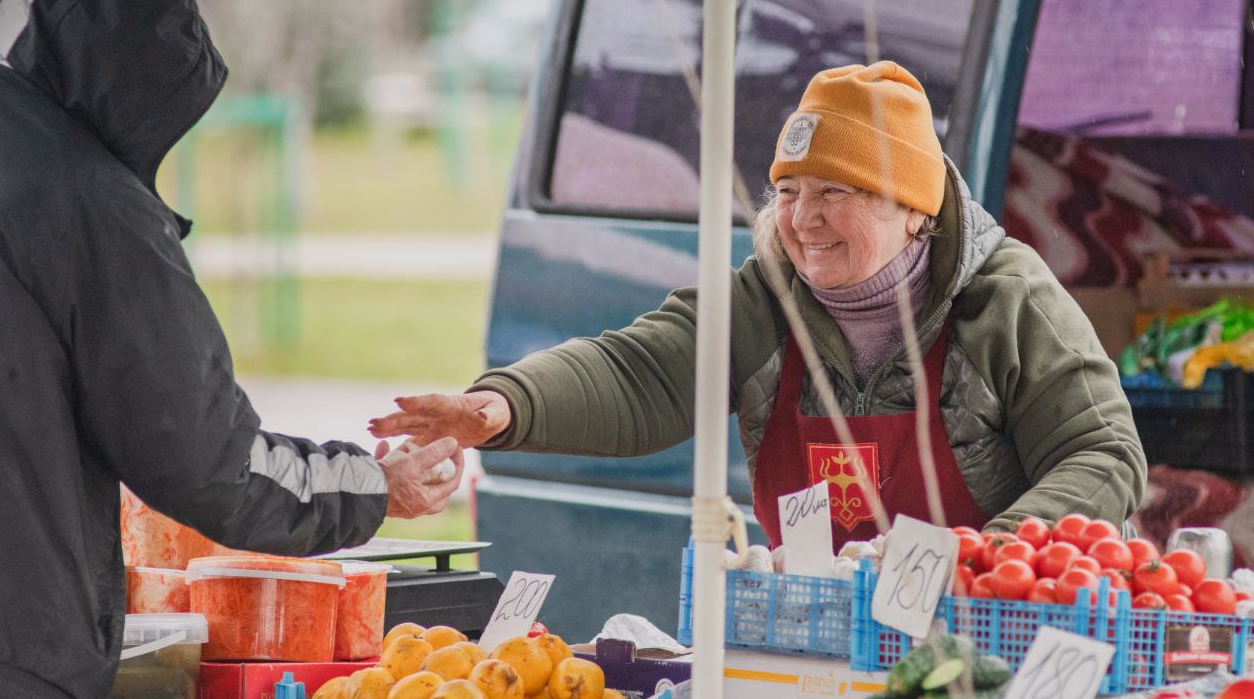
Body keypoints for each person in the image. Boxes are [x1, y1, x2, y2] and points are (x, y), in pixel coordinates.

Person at [0, 0, 463, 699]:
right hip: (3, 658)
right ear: (138, 86)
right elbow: (205, 460)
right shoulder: (83, 198)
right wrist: (379, 485)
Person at [370, 60, 1146, 543]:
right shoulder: (761, 298)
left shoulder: (1009, 300)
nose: (802, 220)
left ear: (914, 208)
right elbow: (642, 371)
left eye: (833, 192)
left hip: (987, 639)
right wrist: (503, 407)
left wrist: (996, 551)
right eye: (786, 192)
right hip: (811, 644)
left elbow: (1102, 452)